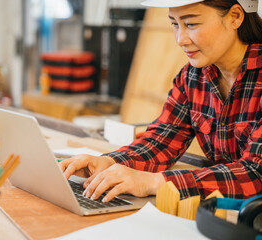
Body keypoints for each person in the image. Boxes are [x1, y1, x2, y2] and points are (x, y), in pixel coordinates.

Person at [59, 0, 262, 203]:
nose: (180, 39)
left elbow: (256, 173)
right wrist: (108, 162)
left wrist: (154, 182)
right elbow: (163, 140)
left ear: (235, 17)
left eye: (191, 24)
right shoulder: (193, 76)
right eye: (175, 24)